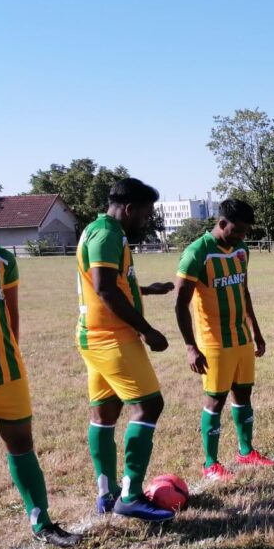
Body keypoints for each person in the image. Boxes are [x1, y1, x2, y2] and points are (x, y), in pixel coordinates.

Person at [77, 177, 175, 521]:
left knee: (105, 413)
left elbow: (112, 283)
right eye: (145, 214)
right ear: (130, 209)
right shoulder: (107, 234)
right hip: (112, 337)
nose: (146, 221)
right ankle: (131, 496)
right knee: (149, 405)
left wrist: (145, 289)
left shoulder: (98, 230)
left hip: (95, 336)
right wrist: (147, 330)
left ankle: (106, 494)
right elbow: (104, 289)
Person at [174, 198, 273, 481]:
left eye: (245, 232)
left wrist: (256, 331)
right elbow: (180, 304)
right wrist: (191, 347)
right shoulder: (197, 253)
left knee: (243, 394)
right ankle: (210, 464)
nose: (242, 236)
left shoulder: (241, 250)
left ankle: (246, 451)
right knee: (215, 400)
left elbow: (244, 291)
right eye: (237, 230)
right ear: (221, 223)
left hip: (241, 338)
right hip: (214, 342)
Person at [0, 242, 77, 545]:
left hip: (6, 373)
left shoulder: (1, 258)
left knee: (21, 443)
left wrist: (10, 355)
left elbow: (11, 315)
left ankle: (42, 523)